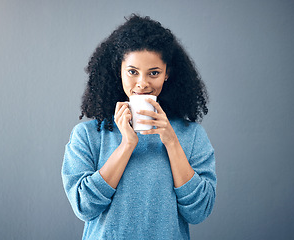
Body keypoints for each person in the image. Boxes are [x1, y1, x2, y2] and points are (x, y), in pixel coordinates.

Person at [62, 14, 216, 240]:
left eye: (153, 73)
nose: (142, 83)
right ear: (119, 71)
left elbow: (199, 211)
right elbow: (84, 207)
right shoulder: (86, 136)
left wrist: (172, 142)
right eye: (132, 72)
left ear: (167, 74)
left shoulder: (191, 135)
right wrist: (127, 145)